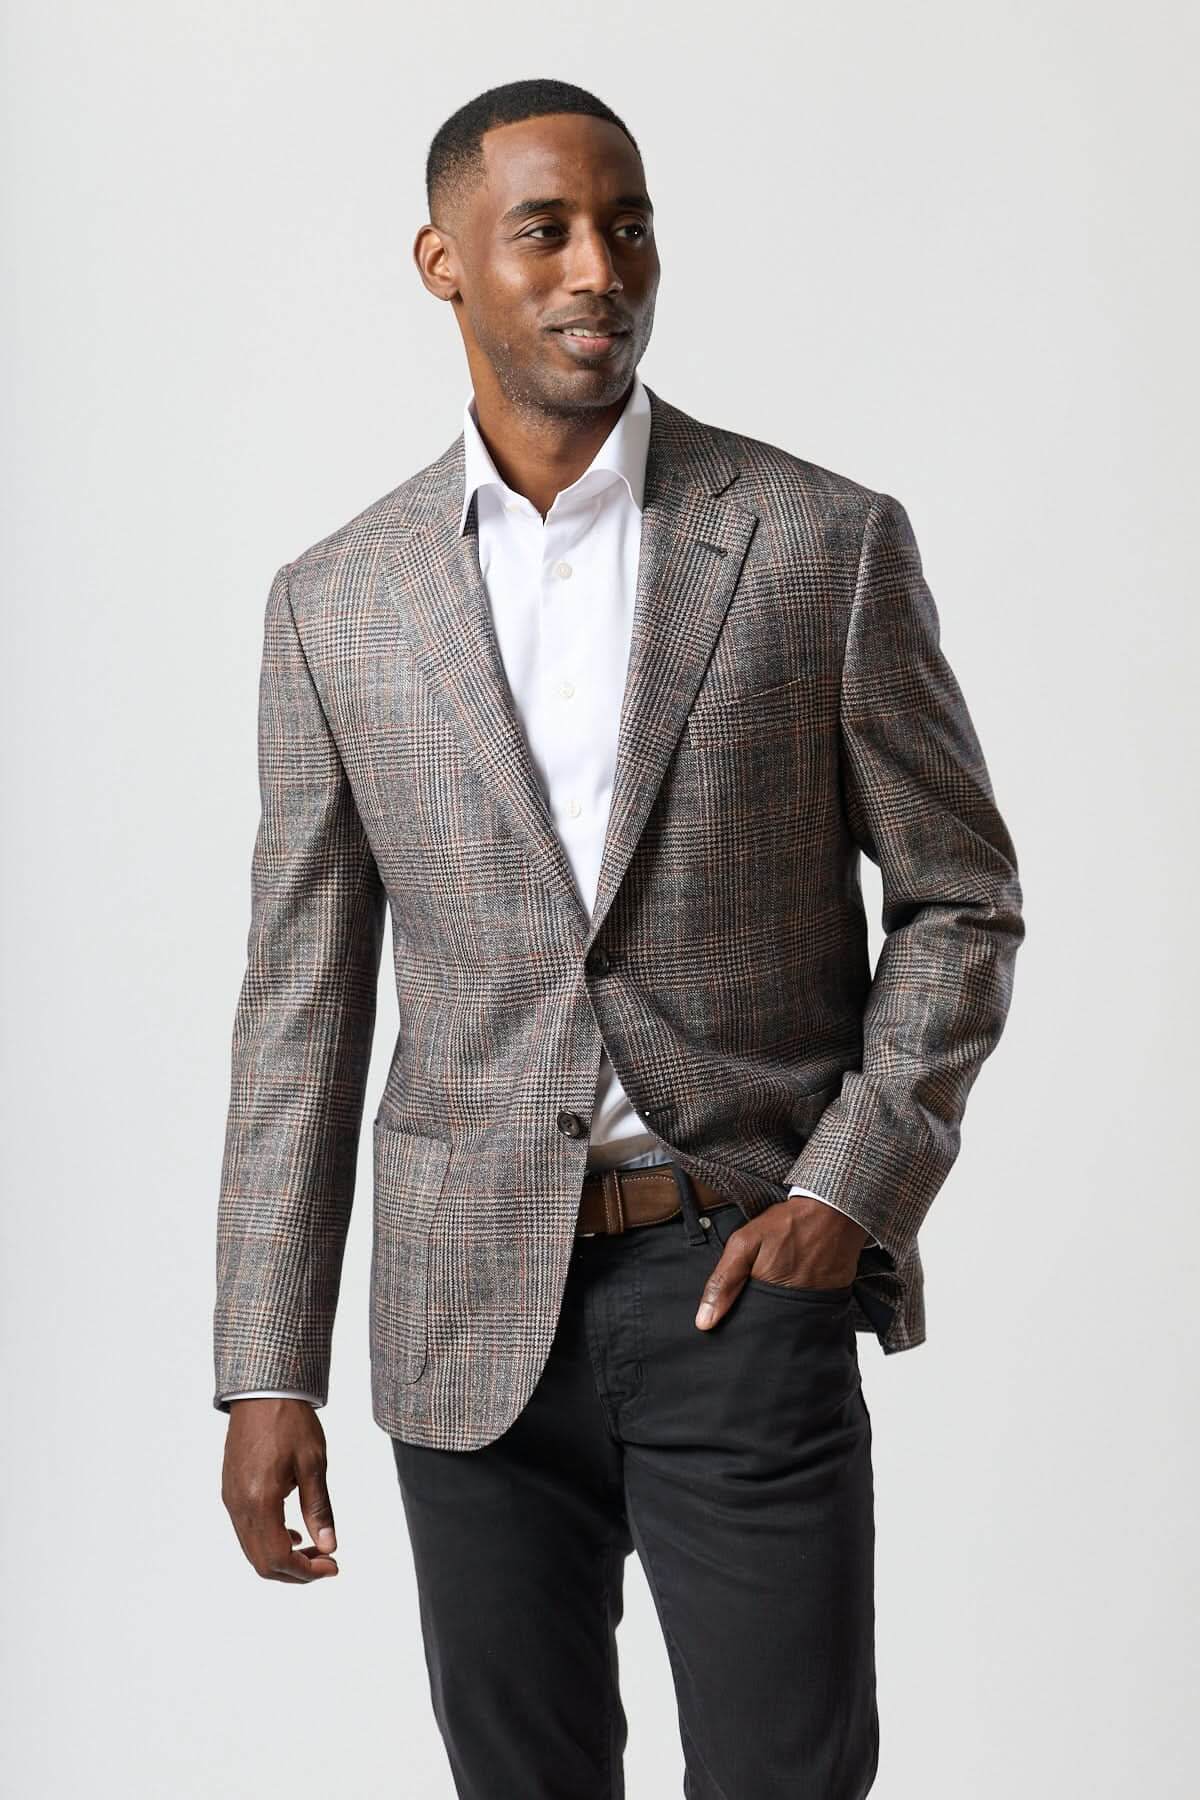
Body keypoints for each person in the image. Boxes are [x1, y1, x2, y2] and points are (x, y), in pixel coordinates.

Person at [214, 76, 1025, 1799]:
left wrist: (846, 1195)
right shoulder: (336, 603)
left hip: (738, 1280)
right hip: (463, 1318)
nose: (602, 268)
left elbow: (961, 899)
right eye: (547, 231)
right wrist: (264, 1366)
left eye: (630, 225)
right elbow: (303, 1005)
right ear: (443, 261)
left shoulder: (818, 543)